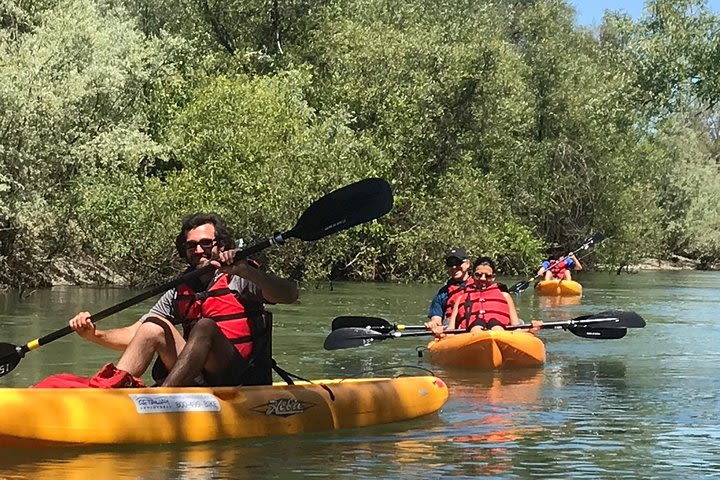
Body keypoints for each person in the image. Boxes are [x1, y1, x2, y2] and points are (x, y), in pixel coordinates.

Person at [68, 212, 299, 387]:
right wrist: (93, 334)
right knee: (153, 327)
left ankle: (164, 398)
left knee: (205, 326)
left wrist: (246, 271)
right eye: (191, 245)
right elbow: (137, 335)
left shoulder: (240, 276)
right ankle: (111, 390)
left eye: (206, 243)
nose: (198, 250)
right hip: (197, 376)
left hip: (238, 376)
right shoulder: (180, 289)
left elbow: (290, 295)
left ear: (223, 245)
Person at [433, 256, 541, 335]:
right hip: (472, 335)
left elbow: (516, 328)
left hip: (500, 333)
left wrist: (531, 329)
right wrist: (439, 332)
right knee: (476, 326)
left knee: (496, 326)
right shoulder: (461, 298)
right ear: (473, 275)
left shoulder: (505, 296)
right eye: (478, 275)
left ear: (493, 277)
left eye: (488, 276)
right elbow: (451, 330)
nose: (483, 278)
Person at [424, 247, 471, 332]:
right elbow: (436, 319)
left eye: (458, 262)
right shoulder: (443, 293)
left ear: (467, 264)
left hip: (474, 328)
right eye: (450, 263)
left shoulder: (480, 286)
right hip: (450, 330)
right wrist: (433, 323)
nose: (454, 267)